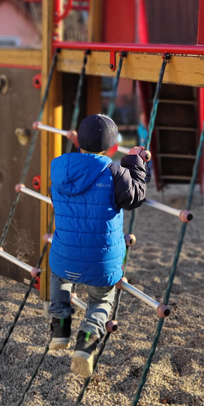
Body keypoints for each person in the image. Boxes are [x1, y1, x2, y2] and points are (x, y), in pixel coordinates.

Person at [48, 114, 148, 377]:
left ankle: (60, 327)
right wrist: (135, 162)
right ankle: (86, 344)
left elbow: (76, 177)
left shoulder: (58, 169)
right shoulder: (114, 172)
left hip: (64, 254)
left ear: (78, 141)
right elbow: (135, 195)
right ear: (113, 148)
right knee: (101, 301)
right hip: (101, 262)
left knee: (59, 279)